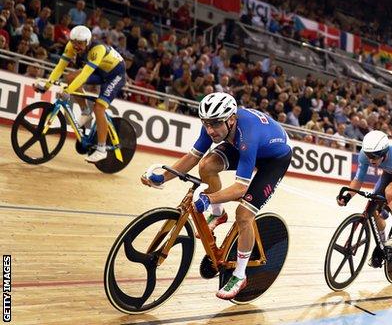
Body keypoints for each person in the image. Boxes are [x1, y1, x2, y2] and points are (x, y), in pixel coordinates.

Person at [141, 93, 292, 300]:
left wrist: (208, 199)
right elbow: (193, 158)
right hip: (241, 145)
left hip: (274, 158)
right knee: (207, 165)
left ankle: (240, 275)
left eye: (215, 124)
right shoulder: (214, 127)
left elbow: (239, 189)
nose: (210, 130)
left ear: (231, 119)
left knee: (244, 214)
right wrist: (162, 177)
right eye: (206, 124)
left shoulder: (247, 134)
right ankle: (219, 215)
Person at [36, 25, 126, 162]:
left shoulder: (98, 49)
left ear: (88, 42)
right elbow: (60, 67)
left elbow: (84, 75)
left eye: (80, 43)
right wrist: (47, 85)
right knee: (70, 78)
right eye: (74, 42)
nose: (76, 46)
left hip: (115, 75)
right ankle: (85, 112)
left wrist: (68, 91)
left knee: (99, 107)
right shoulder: (70, 46)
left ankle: (102, 149)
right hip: (100, 70)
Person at [337, 130, 392, 266]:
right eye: (369, 156)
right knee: (373, 207)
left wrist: (388, 209)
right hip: (391, 171)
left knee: (390, 192)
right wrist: (348, 196)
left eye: (375, 157)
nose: (371, 160)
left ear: (384, 152)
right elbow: (358, 180)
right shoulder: (366, 154)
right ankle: (383, 246)